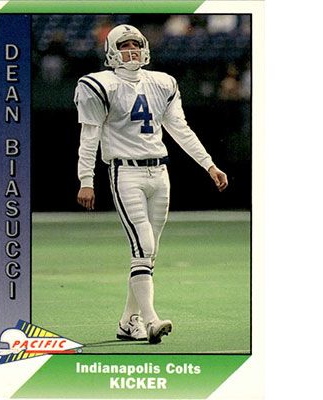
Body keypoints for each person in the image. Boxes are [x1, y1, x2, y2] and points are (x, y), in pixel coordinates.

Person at [74, 24, 228, 345]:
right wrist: (86, 179)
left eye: (135, 44)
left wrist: (208, 164)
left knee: (148, 252)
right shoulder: (99, 85)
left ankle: (128, 321)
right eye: (124, 45)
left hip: (160, 172)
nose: (131, 50)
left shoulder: (162, 82)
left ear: (145, 47)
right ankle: (151, 320)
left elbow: (180, 129)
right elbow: (89, 137)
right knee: (143, 246)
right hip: (125, 172)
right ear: (112, 51)